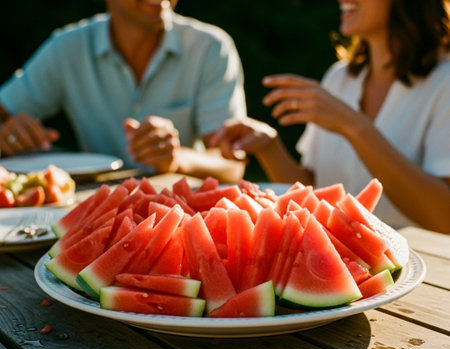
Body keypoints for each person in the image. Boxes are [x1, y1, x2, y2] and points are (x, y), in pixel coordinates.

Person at [211, 0, 450, 233]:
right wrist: (269, 147)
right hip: (341, 264)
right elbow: (313, 190)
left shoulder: (445, 82)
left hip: (422, 266)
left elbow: (444, 218)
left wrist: (353, 126)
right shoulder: (339, 78)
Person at [0, 0, 246, 183]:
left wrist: (176, 158)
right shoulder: (67, 48)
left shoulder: (211, 48)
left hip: (178, 211)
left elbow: (232, 163)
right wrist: (6, 136)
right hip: (91, 208)